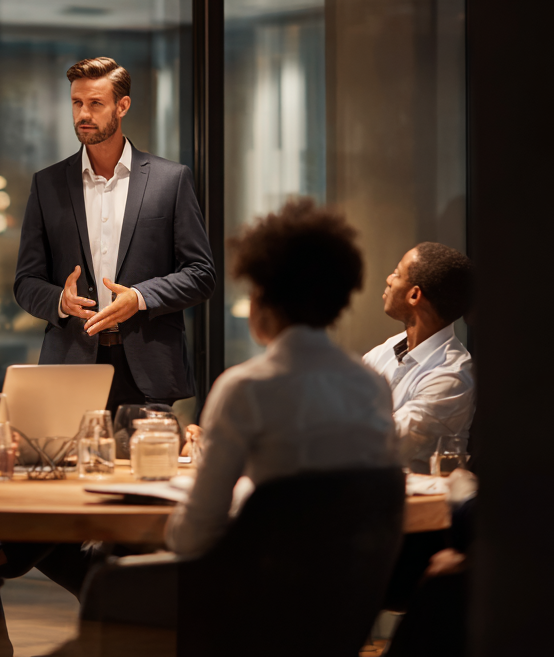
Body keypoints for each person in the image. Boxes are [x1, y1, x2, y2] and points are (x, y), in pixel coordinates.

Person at [165, 199, 397, 558]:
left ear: (262, 300)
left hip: (253, 597)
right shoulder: (371, 386)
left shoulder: (245, 388)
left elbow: (192, 538)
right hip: (346, 598)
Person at [13, 57, 214, 410]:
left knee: (149, 467)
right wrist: (61, 300)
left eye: (95, 103)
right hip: (71, 365)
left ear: (122, 106)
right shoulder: (47, 184)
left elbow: (201, 275)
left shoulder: (171, 180)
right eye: (76, 103)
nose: (82, 114)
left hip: (149, 370)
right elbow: (26, 282)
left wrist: (138, 297)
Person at [363, 243, 476, 474]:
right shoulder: (387, 349)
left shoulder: (454, 374)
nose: (388, 279)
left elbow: (386, 441)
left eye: (396, 273)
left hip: (415, 505)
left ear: (414, 295)